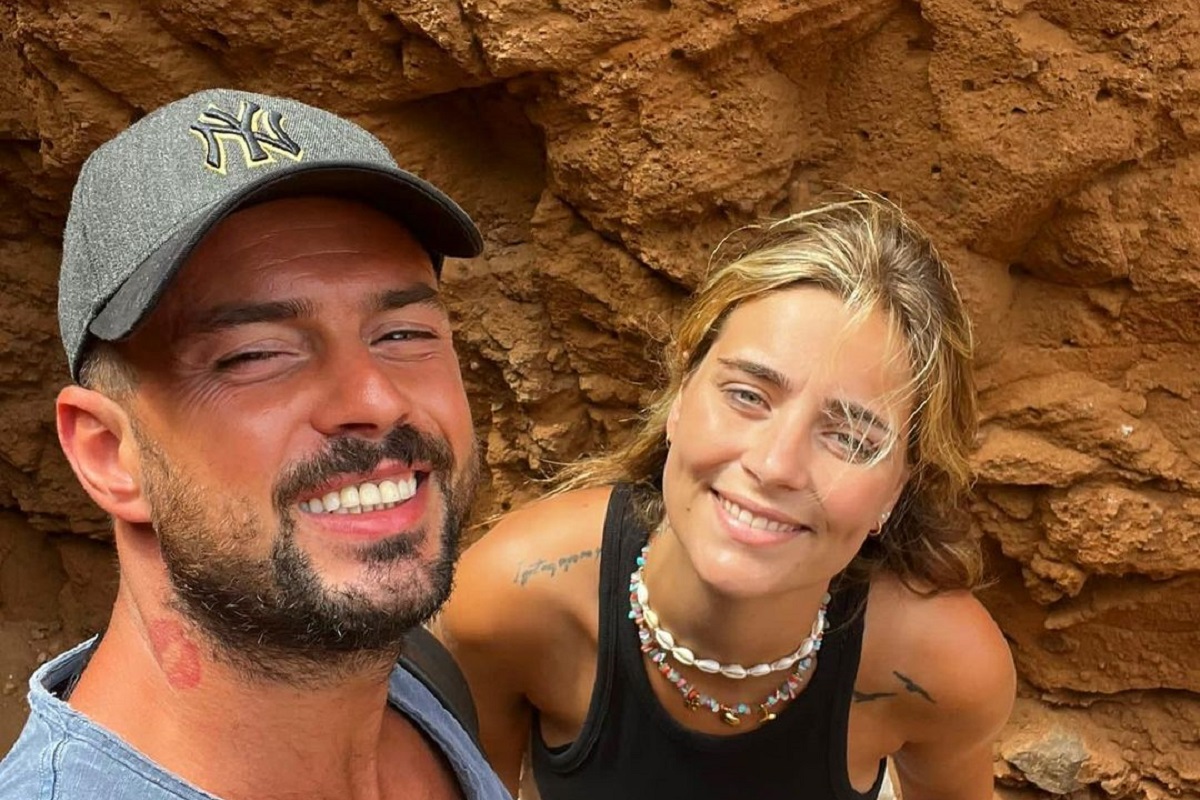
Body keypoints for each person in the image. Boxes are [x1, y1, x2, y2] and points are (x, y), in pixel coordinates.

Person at [0, 88, 510, 800]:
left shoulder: (414, 681)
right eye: (257, 355)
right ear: (109, 454)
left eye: (402, 334)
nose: (375, 400)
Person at [437, 196, 1017, 799]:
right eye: (747, 396)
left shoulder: (944, 669)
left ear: (898, 487)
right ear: (680, 396)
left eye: (848, 438)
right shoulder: (510, 600)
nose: (774, 465)